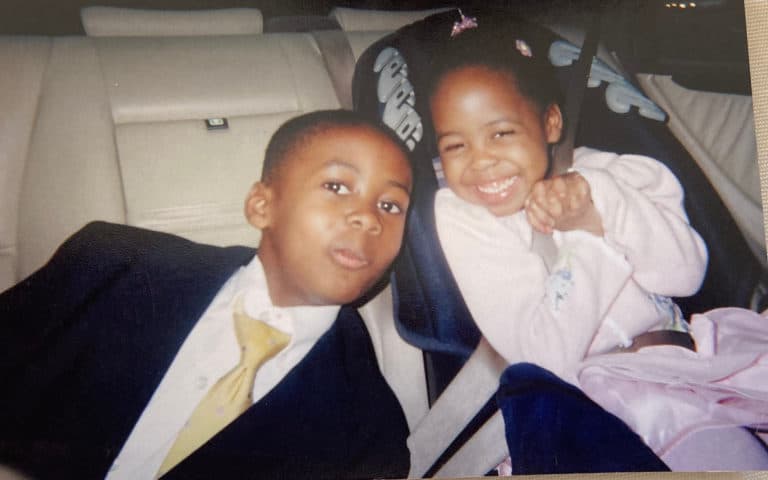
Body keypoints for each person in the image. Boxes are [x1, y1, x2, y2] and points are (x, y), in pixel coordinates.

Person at [425, 19, 768, 470]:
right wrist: (588, 236)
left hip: (693, 373)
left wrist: (598, 203)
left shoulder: (618, 176)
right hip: (591, 410)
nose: (481, 161)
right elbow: (542, 356)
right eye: (455, 146)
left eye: (501, 133)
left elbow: (684, 274)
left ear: (550, 122)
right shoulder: (467, 218)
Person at [0, 110, 414, 479]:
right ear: (261, 206)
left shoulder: (369, 430)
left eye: (391, 206)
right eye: (338, 186)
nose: (368, 218)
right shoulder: (110, 265)